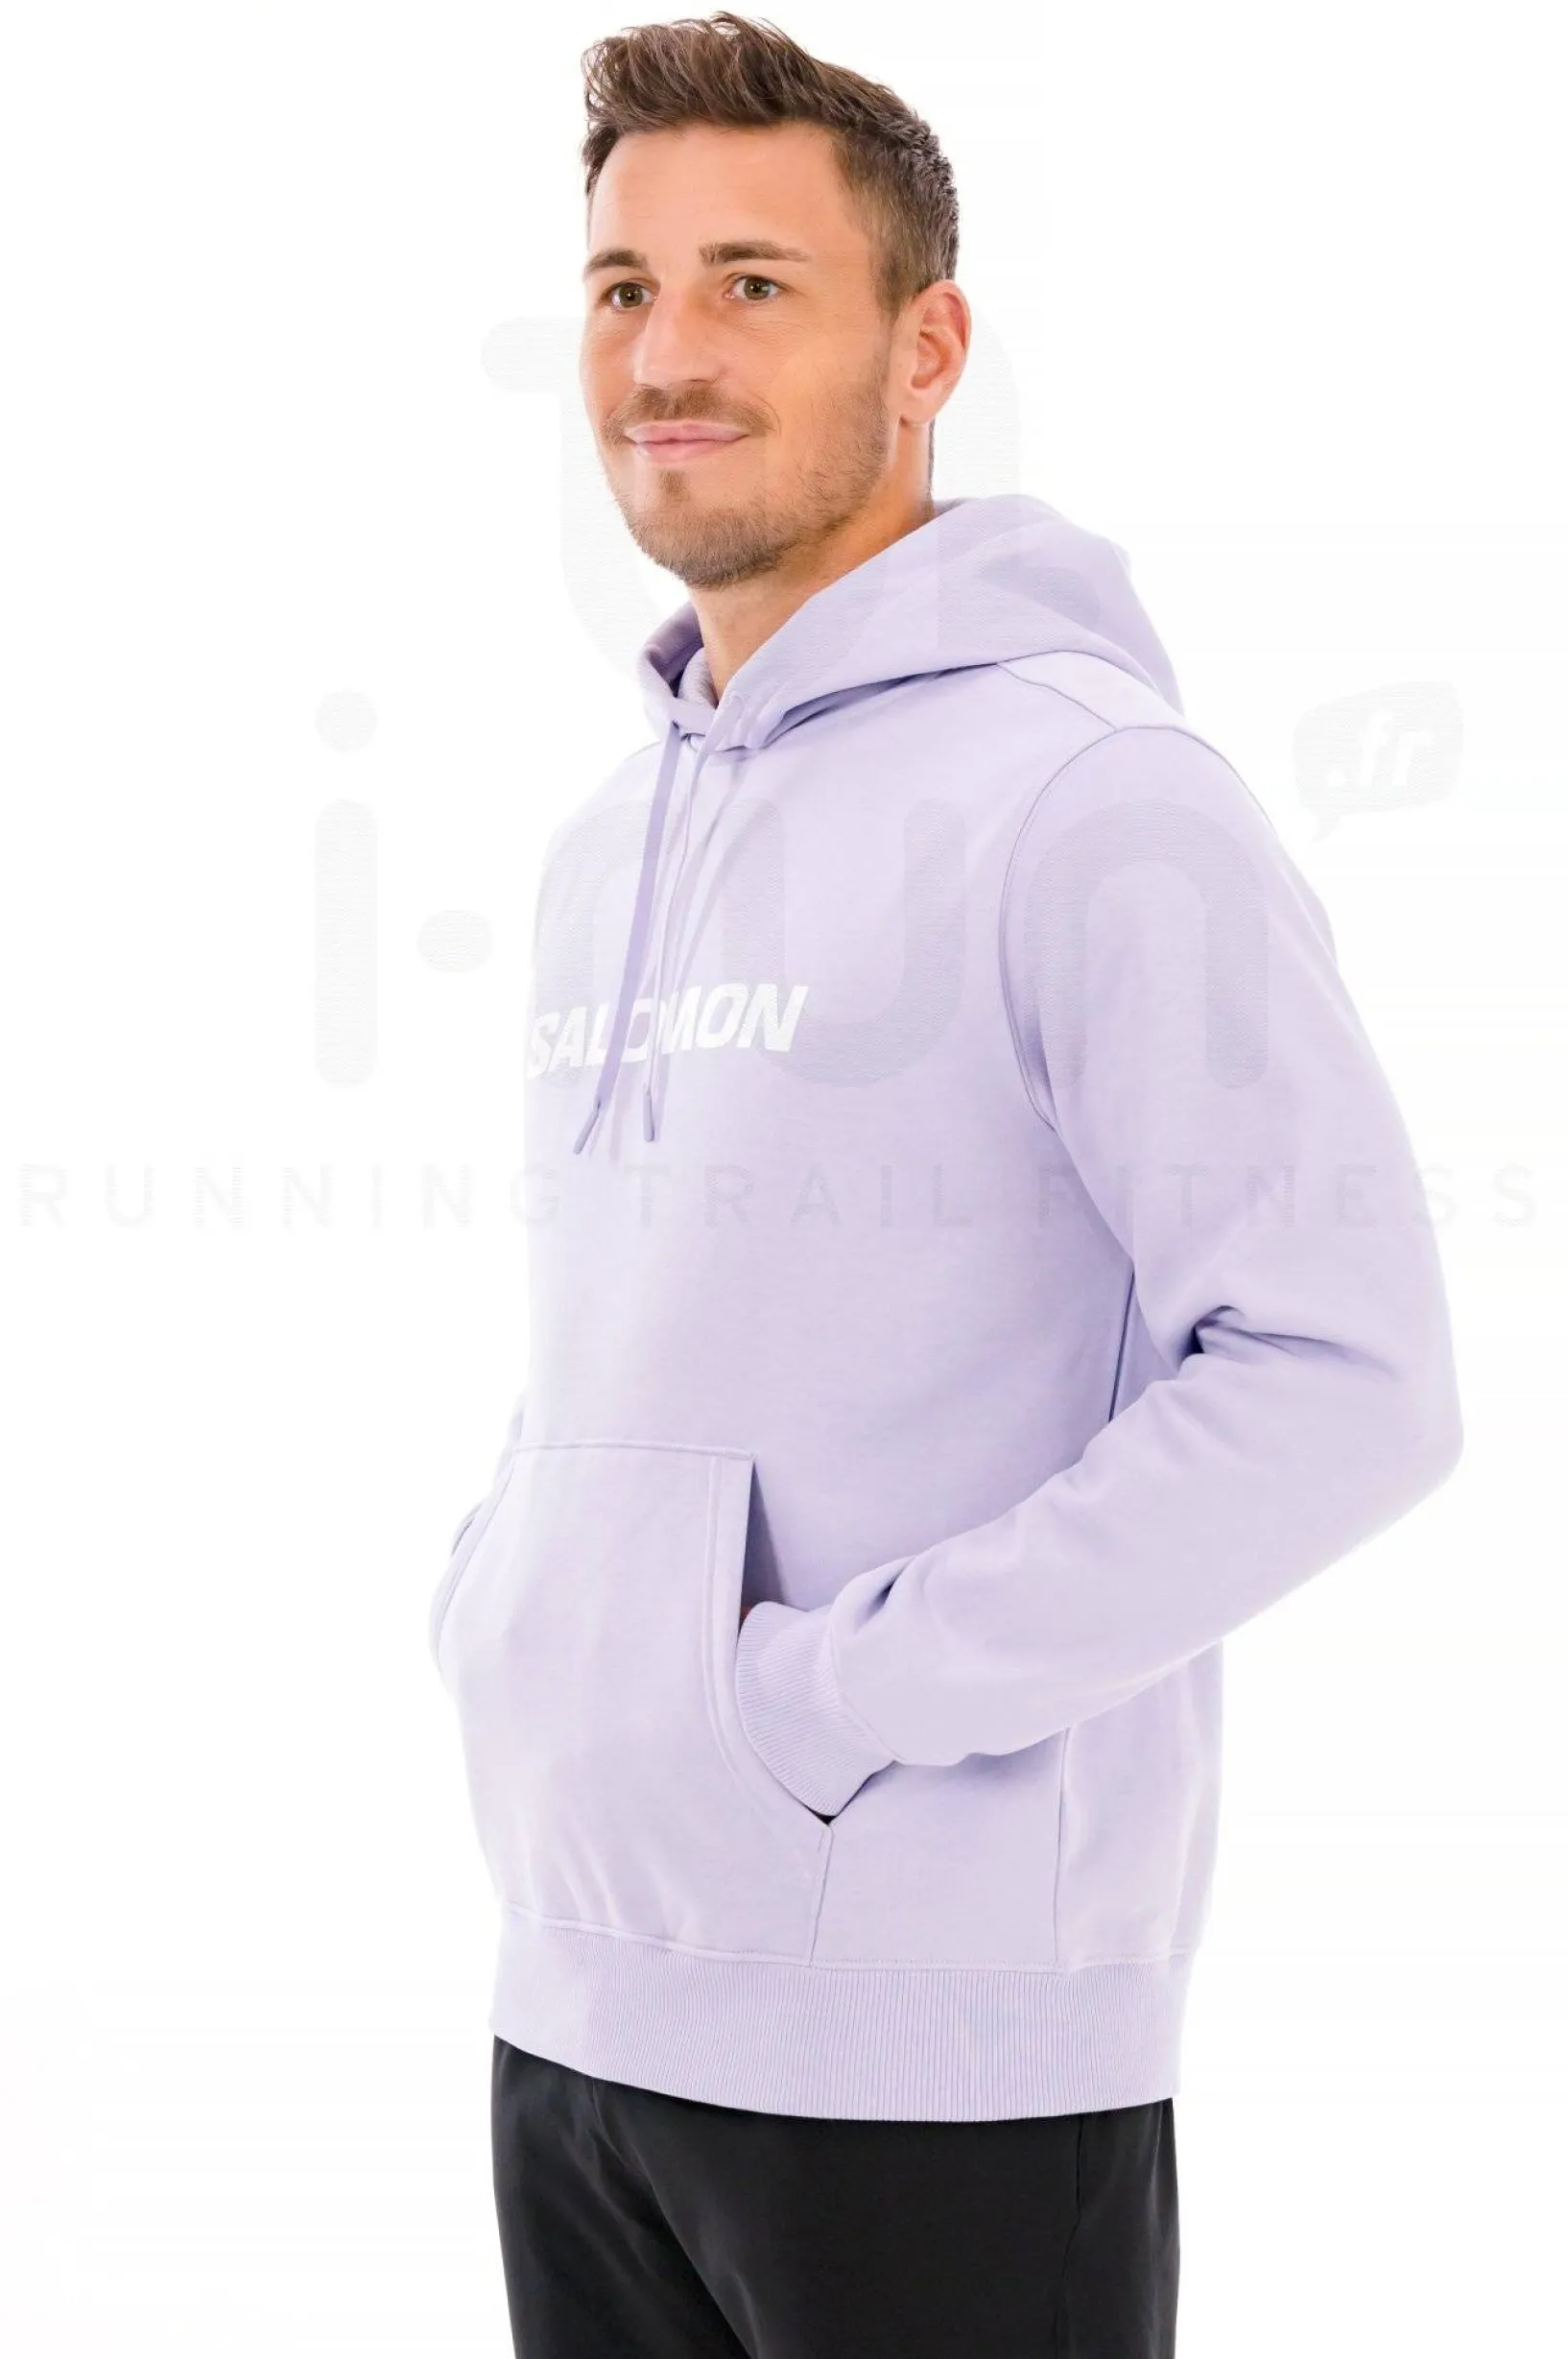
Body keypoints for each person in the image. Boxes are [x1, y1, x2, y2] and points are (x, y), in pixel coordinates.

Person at [428, 13, 1464, 2354]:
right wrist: (523, 1613)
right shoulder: (606, 840)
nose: (664, 356)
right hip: (573, 2000)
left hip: (938, 2055)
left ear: (927, 350)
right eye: (621, 288)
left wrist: (818, 1702)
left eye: (752, 284)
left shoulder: (1091, 798)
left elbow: (1349, 1376)